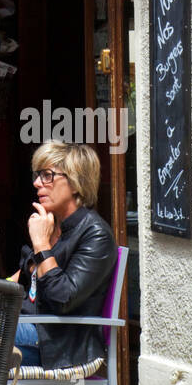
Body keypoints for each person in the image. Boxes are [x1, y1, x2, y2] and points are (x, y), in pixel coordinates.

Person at [11, 142, 117, 370]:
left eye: (47, 175)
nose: (37, 183)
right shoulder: (52, 225)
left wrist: (40, 243)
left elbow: (63, 300)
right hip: (28, 325)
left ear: (76, 182)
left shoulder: (95, 234)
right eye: (37, 175)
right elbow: (23, 283)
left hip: (56, 341)